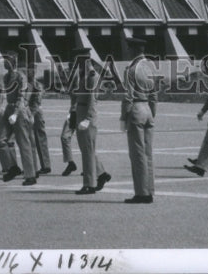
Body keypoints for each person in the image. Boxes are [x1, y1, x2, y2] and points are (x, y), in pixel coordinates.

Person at [120, 34, 156, 203]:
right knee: (148, 153)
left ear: (133, 50)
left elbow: (128, 96)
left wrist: (123, 116)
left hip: (136, 109)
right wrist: (152, 112)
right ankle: (149, 190)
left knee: (137, 154)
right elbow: (155, 94)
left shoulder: (131, 69)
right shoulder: (149, 67)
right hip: (148, 108)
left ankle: (141, 193)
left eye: (129, 48)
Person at [71, 48, 111, 196]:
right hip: (80, 112)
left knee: (87, 151)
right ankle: (101, 174)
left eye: (78, 60)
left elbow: (92, 100)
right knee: (87, 150)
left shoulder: (92, 75)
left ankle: (89, 184)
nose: (77, 63)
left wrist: (87, 119)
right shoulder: (83, 74)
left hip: (87, 115)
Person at [27, 62, 52, 175]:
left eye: (32, 70)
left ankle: (45, 165)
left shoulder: (37, 85)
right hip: (29, 112)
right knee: (30, 139)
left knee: (39, 139)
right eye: (28, 70)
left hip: (35, 113)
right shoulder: (26, 84)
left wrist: (31, 115)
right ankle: (35, 165)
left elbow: (36, 102)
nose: (29, 72)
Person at [60, 85, 78, 176]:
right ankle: (70, 163)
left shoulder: (83, 77)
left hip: (80, 112)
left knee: (85, 143)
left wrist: (68, 90)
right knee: (65, 137)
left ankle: (92, 168)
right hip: (73, 112)